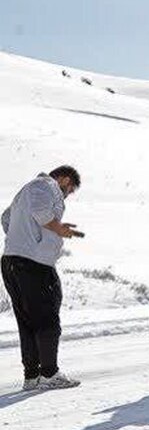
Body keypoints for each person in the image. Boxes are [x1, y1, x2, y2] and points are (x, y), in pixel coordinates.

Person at [1, 166, 84, 391]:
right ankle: (49, 373)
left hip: (14, 261)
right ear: (64, 179)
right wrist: (59, 230)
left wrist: (24, 238)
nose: (67, 195)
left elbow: (6, 219)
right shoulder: (45, 185)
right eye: (69, 190)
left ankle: (32, 376)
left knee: (27, 321)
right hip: (33, 264)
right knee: (47, 317)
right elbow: (42, 213)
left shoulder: (25, 191)